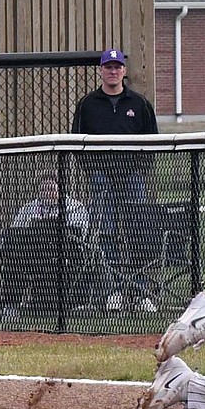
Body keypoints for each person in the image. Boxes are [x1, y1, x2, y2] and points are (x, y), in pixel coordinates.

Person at [71, 47, 159, 313]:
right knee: (107, 234)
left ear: (123, 71)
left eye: (116, 67)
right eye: (107, 67)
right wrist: (92, 171)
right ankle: (114, 291)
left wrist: (139, 170)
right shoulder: (87, 104)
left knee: (136, 233)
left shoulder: (139, 103)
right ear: (101, 71)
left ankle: (141, 291)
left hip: (132, 177)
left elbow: (153, 141)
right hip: (101, 179)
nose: (112, 71)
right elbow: (77, 142)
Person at [0, 174, 90, 317]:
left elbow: (79, 234)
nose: (47, 192)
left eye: (51, 189)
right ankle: (11, 307)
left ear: (60, 190)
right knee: (12, 263)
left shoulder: (75, 208)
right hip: (33, 255)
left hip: (63, 255)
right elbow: (15, 231)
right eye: (43, 189)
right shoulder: (29, 208)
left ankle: (65, 306)